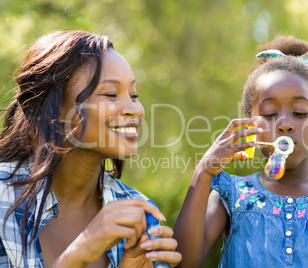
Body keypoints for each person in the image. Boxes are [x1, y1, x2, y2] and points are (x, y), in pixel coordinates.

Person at [173, 36, 308, 267]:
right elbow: (181, 263)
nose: (284, 124)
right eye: (269, 114)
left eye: (299, 113)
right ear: (250, 128)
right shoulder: (232, 196)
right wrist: (203, 171)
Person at [0, 30, 181, 268]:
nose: (135, 109)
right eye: (111, 94)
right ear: (52, 109)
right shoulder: (4, 196)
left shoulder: (136, 212)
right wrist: (78, 254)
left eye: (134, 95)